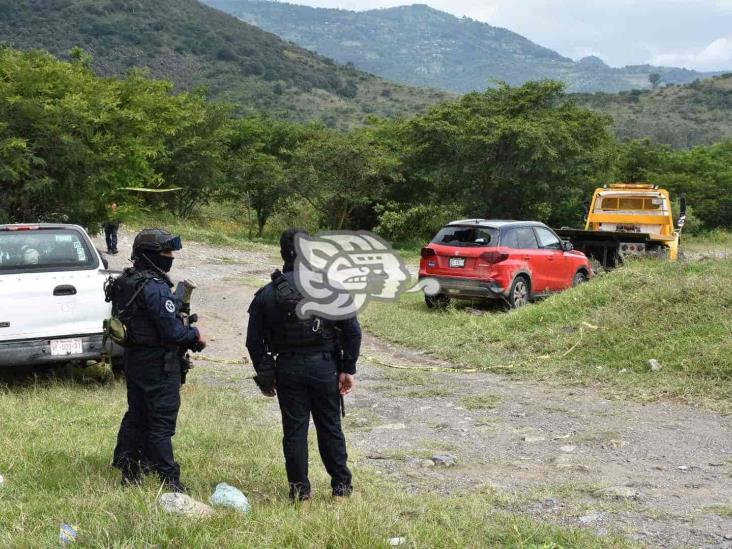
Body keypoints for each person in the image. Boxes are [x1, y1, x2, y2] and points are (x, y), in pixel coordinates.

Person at [246, 228, 362, 502]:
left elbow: (254, 342)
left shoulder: (268, 293)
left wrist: (266, 373)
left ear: (282, 252)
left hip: (288, 370)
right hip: (325, 369)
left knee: (294, 431)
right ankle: (341, 490)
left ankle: (300, 492)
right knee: (330, 427)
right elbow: (352, 332)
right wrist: (348, 368)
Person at [110, 228, 206, 493]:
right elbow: (172, 332)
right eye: (166, 252)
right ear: (151, 255)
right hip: (159, 365)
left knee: (137, 415)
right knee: (161, 422)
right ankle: (169, 479)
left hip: (134, 360)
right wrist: (195, 335)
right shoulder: (155, 287)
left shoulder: (126, 281)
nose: (171, 257)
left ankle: (130, 470)